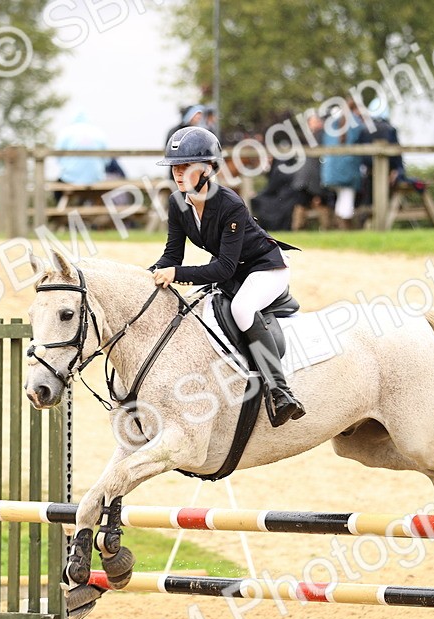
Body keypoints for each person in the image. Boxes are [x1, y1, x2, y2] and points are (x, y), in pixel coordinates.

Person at [149, 126, 305, 427]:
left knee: (242, 309)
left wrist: (175, 274)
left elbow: (223, 269)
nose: (178, 175)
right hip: (234, 271)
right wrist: (150, 275)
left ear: (208, 168)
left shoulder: (229, 204)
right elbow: (172, 256)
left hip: (265, 268)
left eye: (185, 167)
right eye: (174, 168)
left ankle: (280, 391)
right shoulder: (177, 203)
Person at [319, 101, 364, 229]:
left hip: (330, 170)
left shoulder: (332, 123)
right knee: (346, 199)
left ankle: (338, 226)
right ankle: (344, 228)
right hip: (347, 170)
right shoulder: (355, 123)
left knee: (342, 198)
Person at [56, 110, 108, 185]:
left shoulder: (66, 131)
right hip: (96, 178)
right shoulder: (98, 132)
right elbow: (107, 160)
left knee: (57, 189)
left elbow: (58, 158)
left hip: (70, 178)